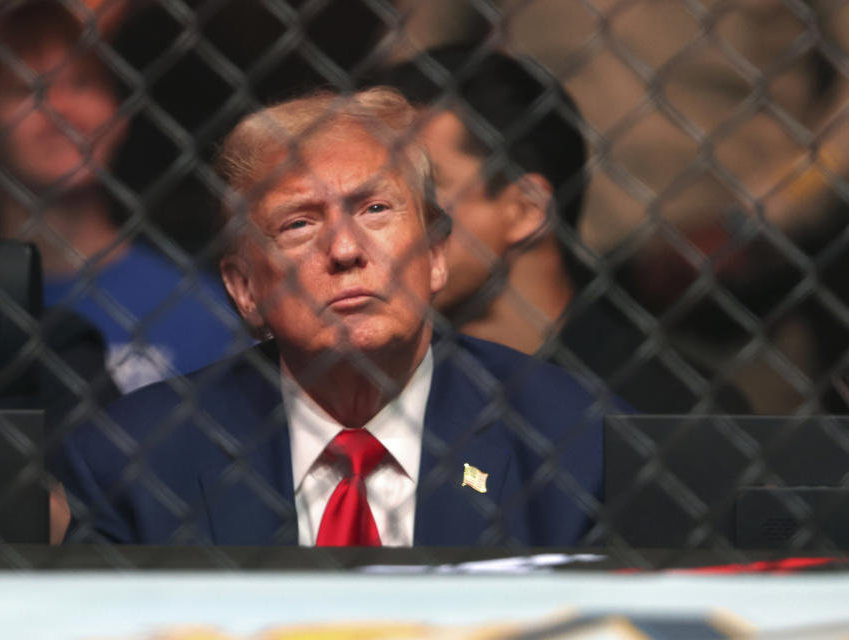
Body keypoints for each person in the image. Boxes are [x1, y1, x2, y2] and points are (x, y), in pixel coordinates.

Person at [52, 88, 626, 546]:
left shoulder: (580, 441)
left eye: (376, 209)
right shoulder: (132, 460)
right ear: (245, 288)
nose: (346, 249)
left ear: (434, 256)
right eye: (299, 223)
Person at [381, 47, 748, 412]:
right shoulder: (369, 387)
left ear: (526, 209)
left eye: (423, 188)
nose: (373, 226)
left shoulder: (671, 414)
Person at [0, 0, 242, 392]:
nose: (62, 109)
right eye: (26, 90)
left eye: (82, 82)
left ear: (119, 113)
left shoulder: (200, 306)